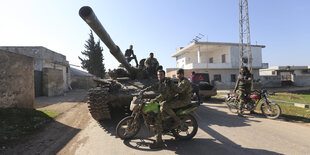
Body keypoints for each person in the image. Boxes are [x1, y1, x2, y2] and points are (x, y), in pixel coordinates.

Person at [140, 70, 177, 149]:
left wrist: (155, 99)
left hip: (169, 102)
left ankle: (159, 142)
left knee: (158, 119)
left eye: (161, 74)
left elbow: (164, 94)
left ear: (164, 75)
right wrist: (144, 90)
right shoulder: (160, 82)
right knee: (154, 111)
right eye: (158, 75)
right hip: (164, 101)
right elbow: (154, 86)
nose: (159, 76)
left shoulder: (166, 82)